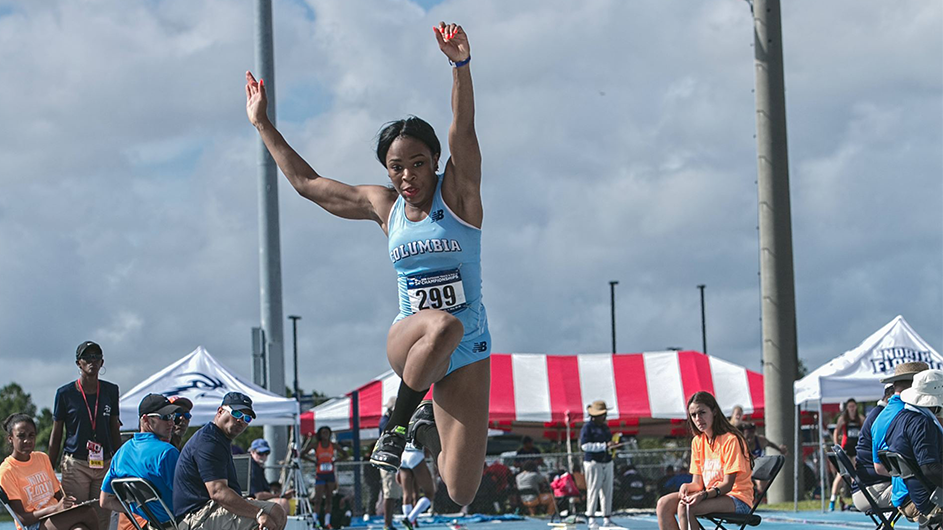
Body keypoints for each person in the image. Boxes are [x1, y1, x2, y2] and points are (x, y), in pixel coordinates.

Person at [245, 21, 491, 506]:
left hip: (470, 345)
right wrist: (261, 123)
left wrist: (460, 66)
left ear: (435, 161)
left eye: (417, 164)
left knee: (461, 490)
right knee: (441, 324)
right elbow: (308, 184)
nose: (406, 176)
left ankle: (418, 426)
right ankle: (396, 426)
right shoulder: (385, 207)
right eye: (396, 168)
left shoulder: (460, 195)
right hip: (411, 335)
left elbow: (463, 129)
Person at [172, 392, 287, 530]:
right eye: (237, 414)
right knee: (274, 513)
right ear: (220, 411)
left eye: (247, 418)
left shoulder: (218, 439)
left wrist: (245, 504)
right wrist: (258, 513)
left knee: (274, 512)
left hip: (207, 511)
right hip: (196, 518)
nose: (241, 421)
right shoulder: (209, 443)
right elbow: (218, 492)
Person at [48, 341, 122, 530]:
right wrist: (48, 469)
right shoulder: (65, 393)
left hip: (104, 462)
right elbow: (56, 433)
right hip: (76, 463)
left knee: (102, 520)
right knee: (77, 518)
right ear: (78, 363)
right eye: (87, 357)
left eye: (96, 357)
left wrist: (121, 464)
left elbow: (114, 428)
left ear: (102, 361)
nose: (92, 361)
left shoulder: (110, 390)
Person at [656, 392, 753, 530]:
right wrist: (687, 487)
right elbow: (697, 483)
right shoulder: (698, 441)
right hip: (710, 495)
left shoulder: (731, 440)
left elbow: (727, 485)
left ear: (714, 411)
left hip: (737, 499)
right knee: (663, 504)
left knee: (687, 506)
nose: (698, 418)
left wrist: (703, 495)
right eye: (693, 415)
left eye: (702, 412)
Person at [0, 413, 99, 530]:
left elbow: (57, 494)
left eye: (31, 435)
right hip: (34, 524)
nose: (27, 440)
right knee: (88, 512)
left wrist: (65, 505)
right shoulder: (7, 470)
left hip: (56, 516)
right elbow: (23, 519)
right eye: (21, 436)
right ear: (11, 438)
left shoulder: (42, 458)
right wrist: (55, 509)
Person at [99, 394, 182, 530]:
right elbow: (189, 497)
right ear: (146, 419)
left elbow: (105, 501)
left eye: (173, 417)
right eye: (165, 417)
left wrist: (140, 508)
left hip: (150, 525)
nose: (172, 423)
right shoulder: (167, 452)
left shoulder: (122, 453)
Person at [881, 369, 943, 527]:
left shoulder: (900, 419)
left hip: (915, 493)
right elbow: (929, 468)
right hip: (929, 497)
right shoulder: (922, 424)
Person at [851, 383, 896, 512]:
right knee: (924, 490)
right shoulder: (883, 417)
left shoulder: (877, 414)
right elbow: (879, 468)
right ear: (891, 397)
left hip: (867, 488)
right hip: (873, 489)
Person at [302, 427, 345, 529]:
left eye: (327, 432)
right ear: (320, 434)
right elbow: (302, 454)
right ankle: (315, 521)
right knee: (318, 499)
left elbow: (345, 454)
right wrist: (314, 462)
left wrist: (335, 461)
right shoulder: (317, 445)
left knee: (329, 498)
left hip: (329, 473)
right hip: (320, 474)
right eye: (323, 433)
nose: (325, 435)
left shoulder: (332, 445)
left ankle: (327, 522)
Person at [580, 400, 614, 528]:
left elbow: (609, 441)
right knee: (593, 490)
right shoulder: (587, 428)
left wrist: (612, 446)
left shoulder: (605, 427)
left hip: (607, 461)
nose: (604, 417)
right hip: (594, 462)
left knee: (607, 491)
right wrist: (603, 446)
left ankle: (607, 518)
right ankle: (591, 518)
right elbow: (585, 446)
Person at [828, 398, 863, 511]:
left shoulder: (860, 419)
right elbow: (836, 432)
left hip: (856, 450)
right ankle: (832, 499)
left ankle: (856, 500)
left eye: (853, 406)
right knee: (841, 475)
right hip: (846, 450)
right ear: (847, 408)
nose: (852, 409)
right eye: (850, 407)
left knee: (855, 476)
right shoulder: (843, 419)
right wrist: (836, 446)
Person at [247, 439, 292, 516]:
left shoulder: (257, 467)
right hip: (250, 502)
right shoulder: (252, 467)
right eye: (260, 453)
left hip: (255, 501)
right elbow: (259, 495)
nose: (264, 456)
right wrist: (280, 495)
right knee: (283, 502)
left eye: (266, 453)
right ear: (252, 452)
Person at [739, 422, 786, 493]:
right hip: (745, 466)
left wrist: (779, 449)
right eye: (747, 437)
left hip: (758, 466)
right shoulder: (741, 443)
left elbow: (770, 444)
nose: (749, 440)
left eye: (751, 437)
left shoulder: (761, 440)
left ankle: (759, 497)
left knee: (762, 487)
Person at [397, 444, 435, 530]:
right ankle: (410, 519)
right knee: (430, 493)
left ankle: (409, 524)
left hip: (404, 456)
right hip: (416, 454)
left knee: (407, 494)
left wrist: (397, 472)